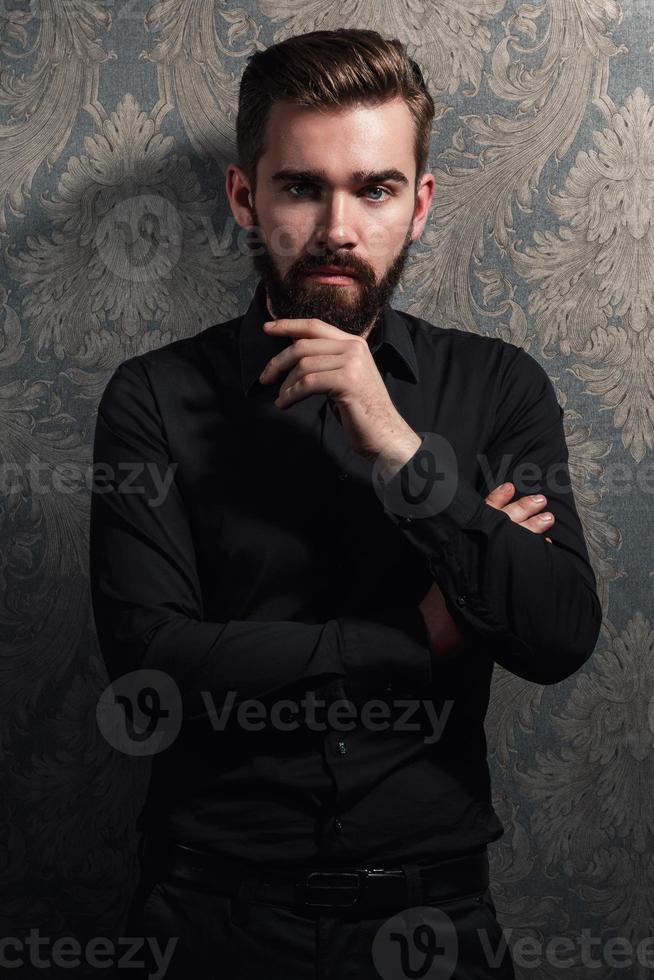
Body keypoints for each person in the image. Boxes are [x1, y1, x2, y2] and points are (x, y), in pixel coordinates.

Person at [89, 27, 602, 980]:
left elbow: (559, 633)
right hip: (208, 923)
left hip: (433, 925)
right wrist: (417, 638)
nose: (337, 228)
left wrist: (402, 446)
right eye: (300, 186)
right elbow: (149, 667)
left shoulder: (499, 390)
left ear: (419, 205)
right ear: (247, 196)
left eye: (375, 188)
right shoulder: (153, 398)